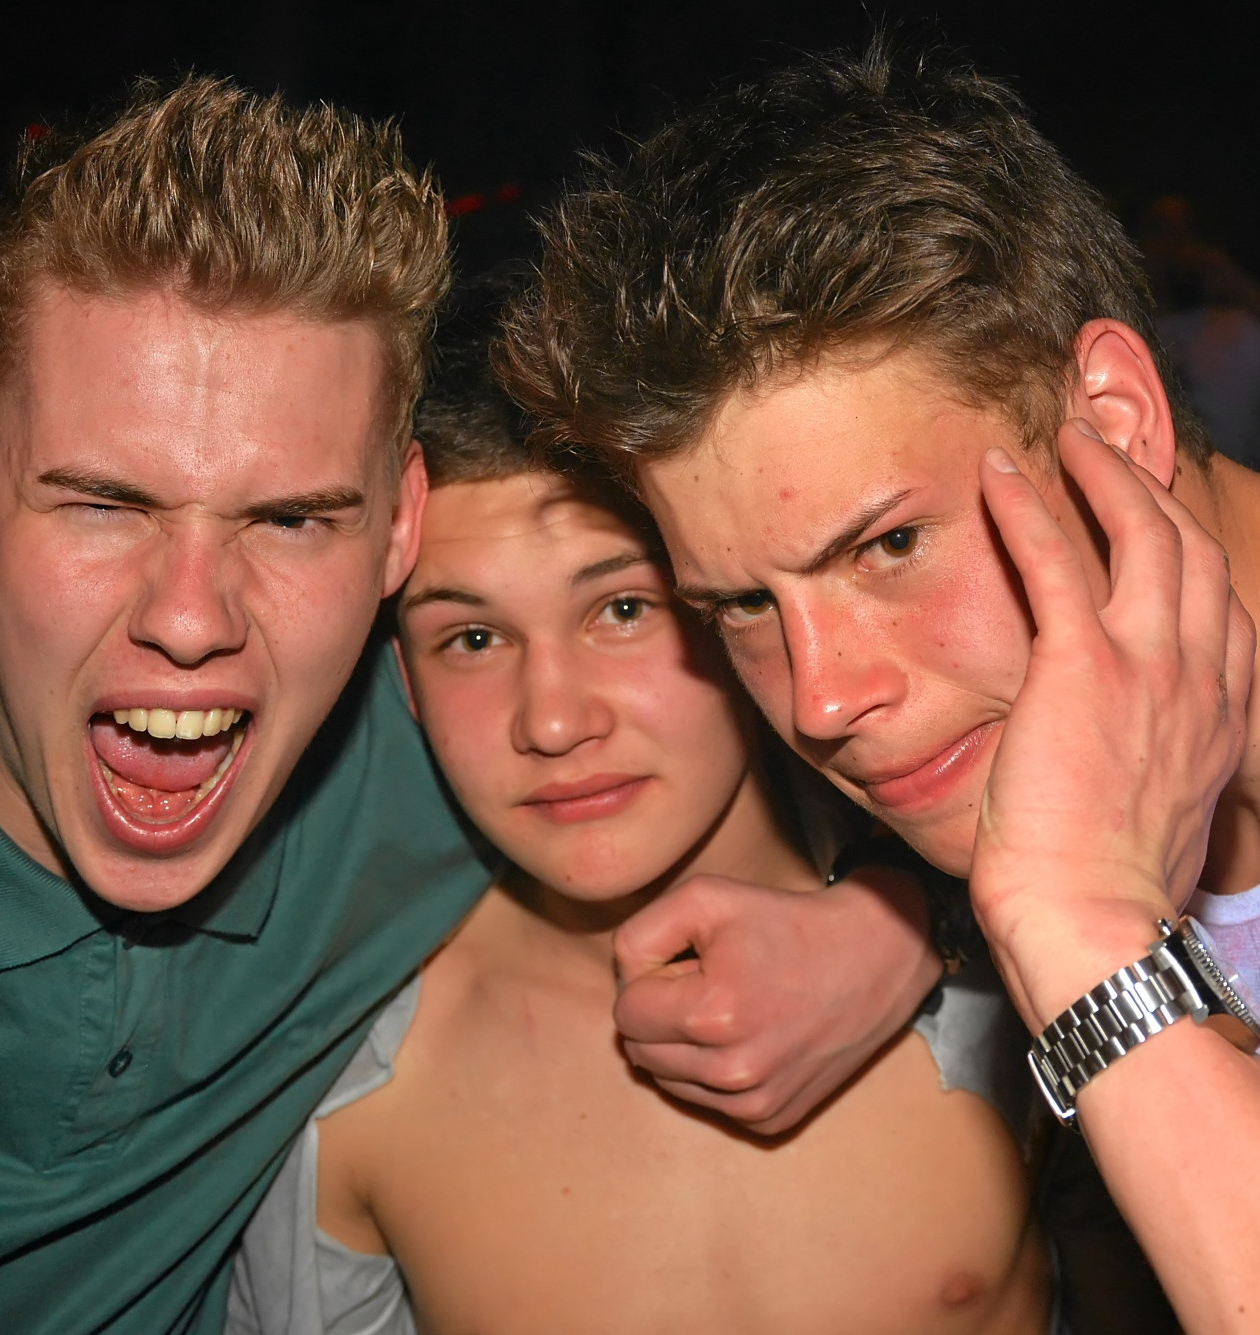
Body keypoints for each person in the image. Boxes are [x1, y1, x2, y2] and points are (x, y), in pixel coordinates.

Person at [498, 39, 1260, 1327]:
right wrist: (918, 924)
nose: (820, 698)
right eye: (744, 607)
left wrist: (1087, 945)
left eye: (888, 545)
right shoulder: (993, 772)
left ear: (1114, 421)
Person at [0, 77, 942, 1332]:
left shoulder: (465, 750)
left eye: (290, 520)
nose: (190, 618)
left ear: (397, 528)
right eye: (103, 504)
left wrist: (896, 923)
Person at [227, 339, 1054, 1334]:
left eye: (621, 610)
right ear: (405, 681)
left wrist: (926, 921)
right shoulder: (348, 1087)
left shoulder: (1021, 938)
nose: (553, 720)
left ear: (736, 610)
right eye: (472, 639)